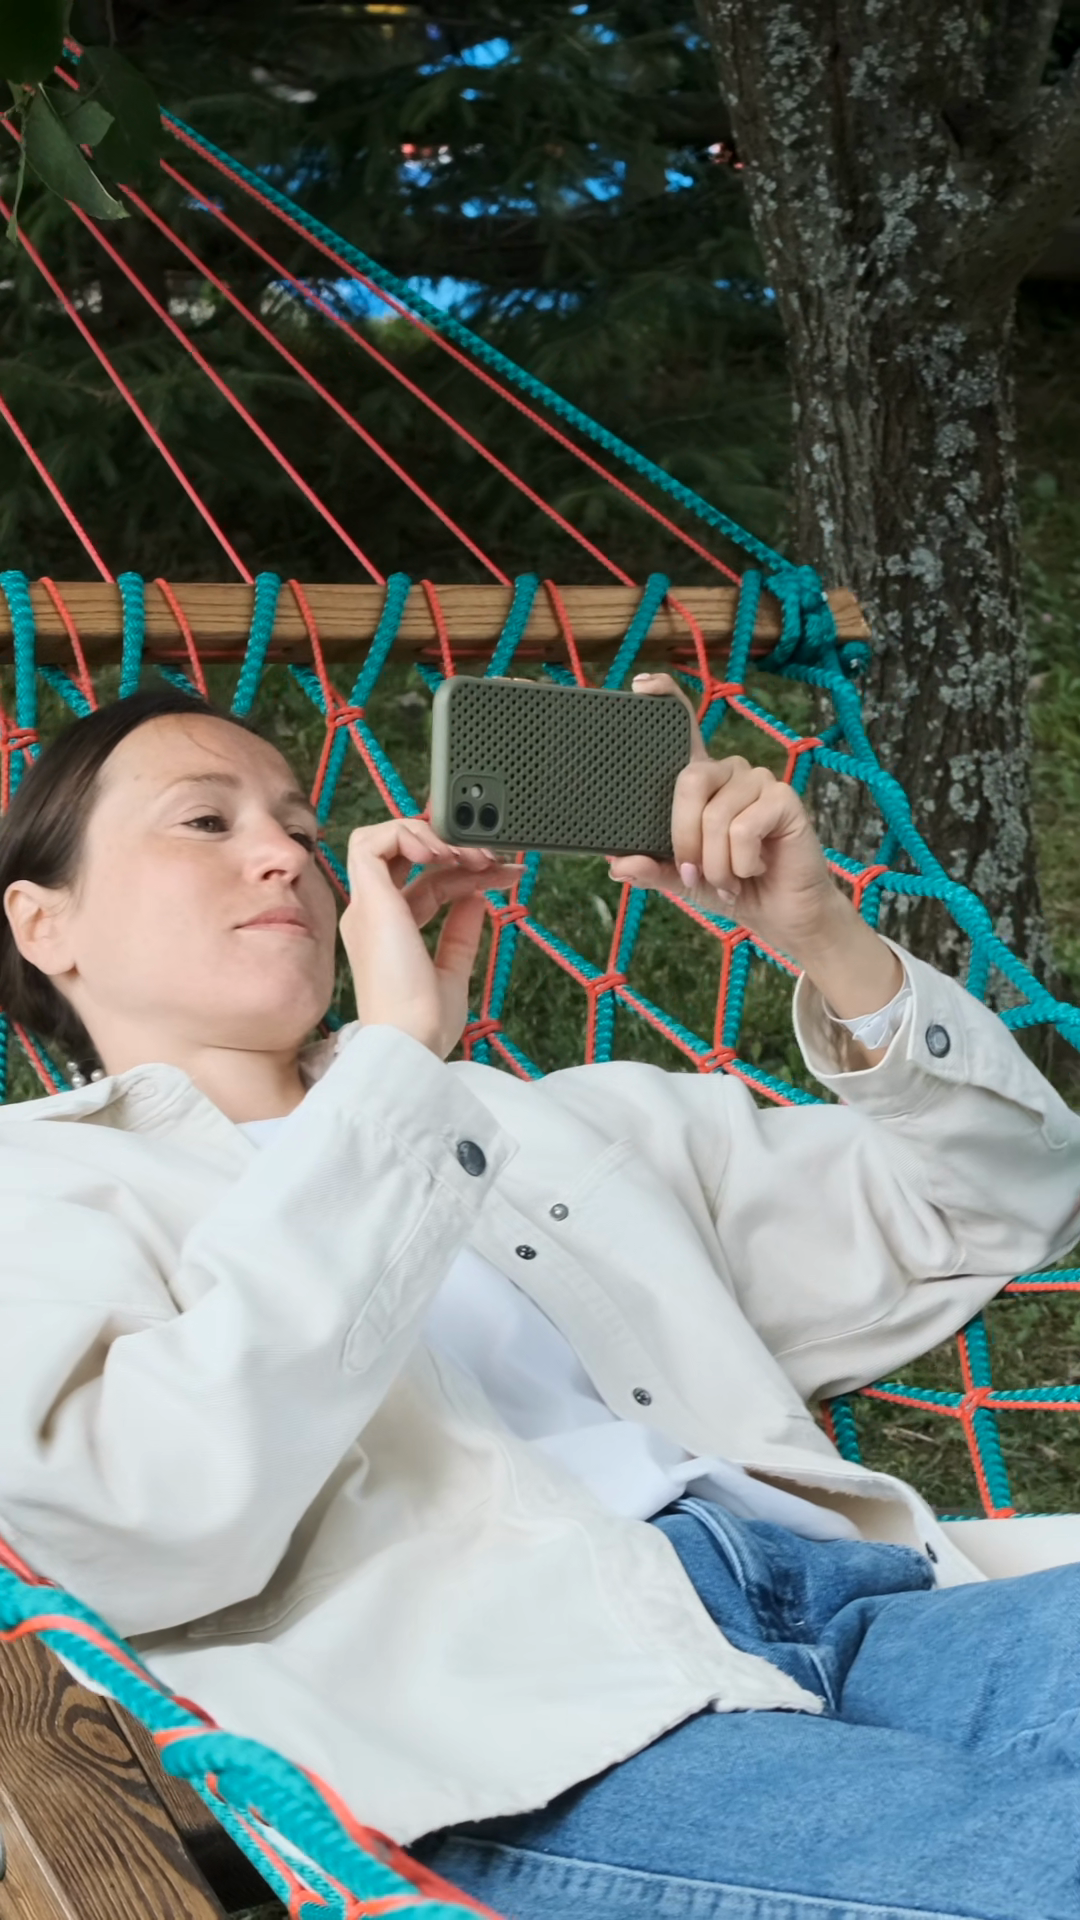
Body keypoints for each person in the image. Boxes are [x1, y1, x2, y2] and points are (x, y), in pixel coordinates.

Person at [0, 682, 1078, 1920]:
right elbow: (136, 1521)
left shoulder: (544, 1124)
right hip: (528, 1737)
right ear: (45, 922)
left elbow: (1011, 1199)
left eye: (298, 828)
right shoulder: (36, 1189)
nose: (284, 856)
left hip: (853, 1610)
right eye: (206, 822)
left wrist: (822, 938)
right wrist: (395, 1064)